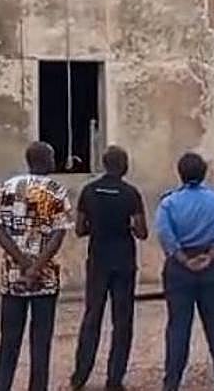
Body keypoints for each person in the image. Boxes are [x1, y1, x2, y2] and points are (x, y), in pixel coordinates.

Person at [0, 142, 73, 391]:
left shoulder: (8, 187)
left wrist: (23, 264)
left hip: (13, 277)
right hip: (44, 279)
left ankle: (1, 386)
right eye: (52, 157)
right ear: (46, 160)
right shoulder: (56, 191)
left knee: (9, 340)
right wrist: (36, 267)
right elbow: (58, 235)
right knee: (41, 341)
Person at [155, 152, 214, 391]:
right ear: (204, 174)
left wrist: (183, 259)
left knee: (178, 326)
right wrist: (212, 255)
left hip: (179, 269)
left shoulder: (169, 203)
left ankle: (171, 382)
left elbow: (165, 234)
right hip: (213, 266)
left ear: (180, 173)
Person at [71, 146, 148, 391]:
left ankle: (80, 375)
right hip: (124, 260)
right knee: (122, 321)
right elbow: (142, 232)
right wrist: (126, 226)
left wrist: (96, 226)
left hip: (98, 260)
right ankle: (114, 379)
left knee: (92, 316)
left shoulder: (89, 191)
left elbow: (80, 229)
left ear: (104, 164)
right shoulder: (130, 193)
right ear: (123, 165)